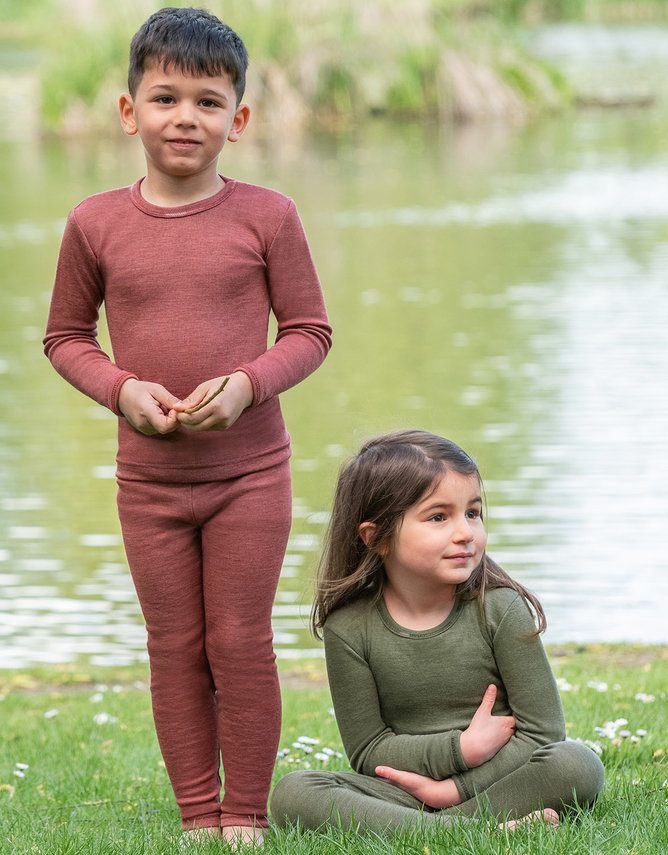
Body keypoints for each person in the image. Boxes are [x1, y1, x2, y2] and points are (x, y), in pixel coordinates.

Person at [43, 7, 331, 847]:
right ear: (128, 110)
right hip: (150, 485)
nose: (185, 117)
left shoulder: (269, 216)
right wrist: (121, 389)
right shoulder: (94, 223)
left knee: (239, 641)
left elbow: (309, 331)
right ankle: (198, 815)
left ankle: (246, 813)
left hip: (251, 477)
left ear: (238, 120)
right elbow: (66, 337)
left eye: (209, 102)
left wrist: (248, 383)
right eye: (165, 98)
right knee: (173, 644)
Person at [271, 430, 604, 835]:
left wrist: (453, 790)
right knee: (295, 792)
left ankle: (440, 828)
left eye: (473, 513)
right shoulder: (349, 628)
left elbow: (543, 734)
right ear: (377, 538)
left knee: (575, 763)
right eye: (438, 517)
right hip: (402, 793)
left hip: (499, 780)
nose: (465, 532)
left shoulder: (500, 608)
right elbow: (368, 750)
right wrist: (459, 750)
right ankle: (473, 830)